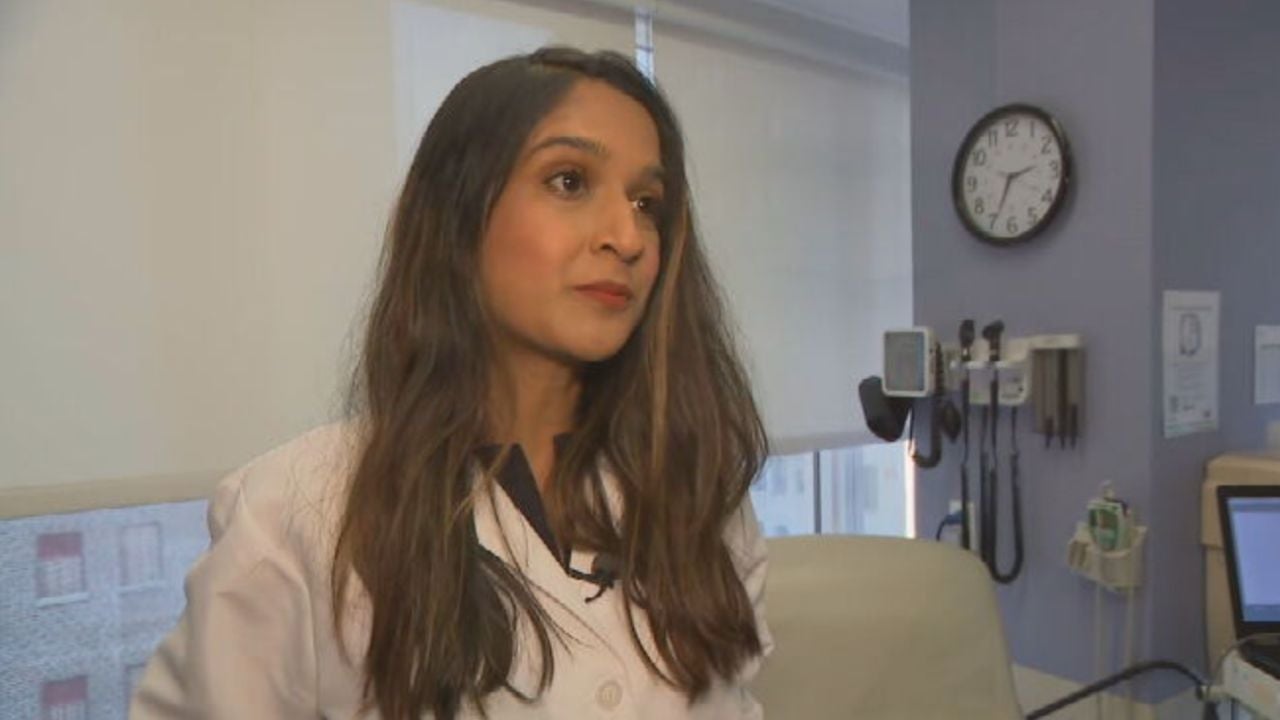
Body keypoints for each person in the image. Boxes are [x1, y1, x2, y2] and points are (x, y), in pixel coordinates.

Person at [130, 46, 773, 719]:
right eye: (569, 181)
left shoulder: (698, 495)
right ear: (457, 215)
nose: (627, 236)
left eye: (647, 203)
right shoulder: (299, 513)